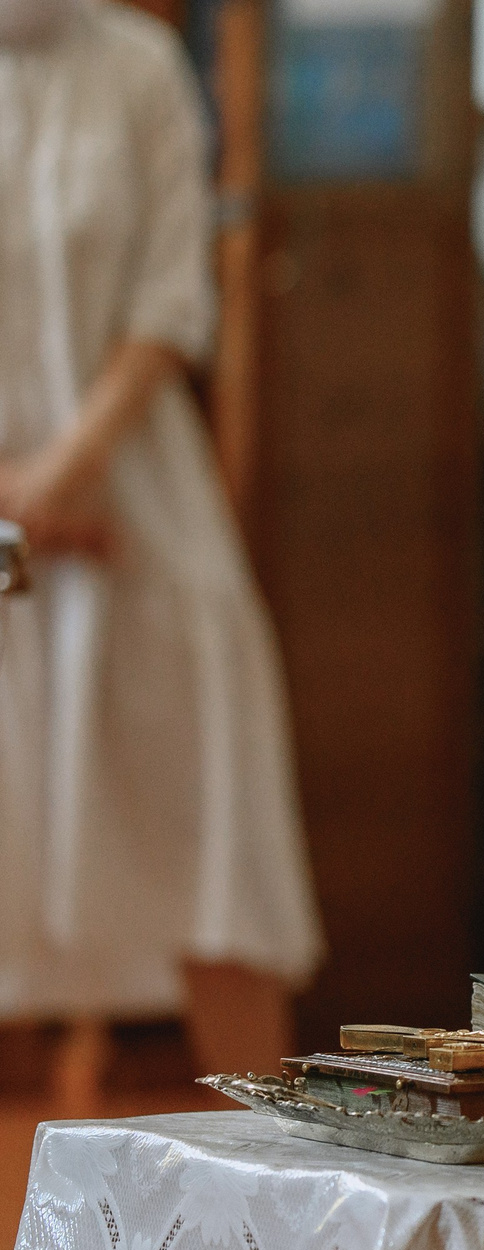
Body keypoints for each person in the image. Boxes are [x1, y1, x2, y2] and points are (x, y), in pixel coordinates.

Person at [0, 0, 323, 1092]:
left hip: (136, 495)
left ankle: (283, 1168)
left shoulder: (139, 67)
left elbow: (171, 300)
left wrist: (61, 472)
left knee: (209, 828)